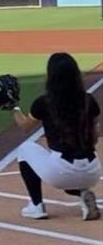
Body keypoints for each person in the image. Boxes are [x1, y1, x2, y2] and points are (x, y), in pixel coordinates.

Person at [12, 53, 101, 220]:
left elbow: (24, 126)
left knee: (25, 149)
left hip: (61, 171)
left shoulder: (44, 102)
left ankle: (36, 206)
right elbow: (95, 137)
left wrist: (13, 107)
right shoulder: (89, 100)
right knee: (72, 172)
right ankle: (83, 194)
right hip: (92, 171)